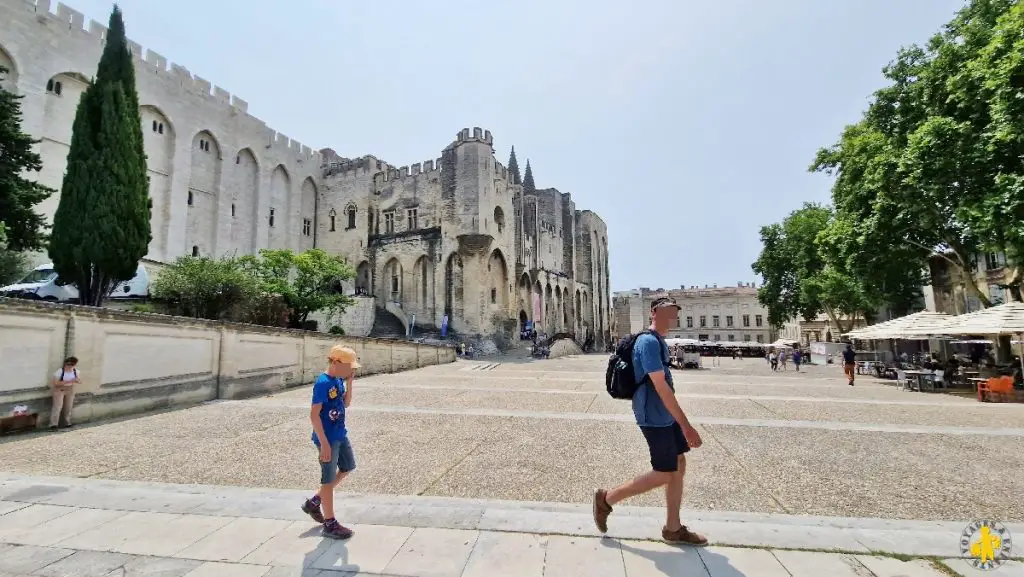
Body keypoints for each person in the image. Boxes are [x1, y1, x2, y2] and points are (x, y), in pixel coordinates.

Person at [593, 297, 707, 545]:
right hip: (654, 416)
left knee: (678, 462)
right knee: (664, 473)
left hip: (665, 414)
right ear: (653, 313)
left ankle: (673, 528)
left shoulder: (659, 342)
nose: (672, 317)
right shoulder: (647, 342)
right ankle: (606, 499)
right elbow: (661, 387)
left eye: (675, 313)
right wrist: (687, 426)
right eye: (667, 312)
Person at [301, 345, 360, 539]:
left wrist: (350, 382)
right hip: (327, 438)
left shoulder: (338, 380)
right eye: (348, 366)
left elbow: (346, 403)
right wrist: (324, 444)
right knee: (327, 480)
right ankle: (330, 523)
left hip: (340, 433)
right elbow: (314, 415)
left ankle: (315, 500)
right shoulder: (323, 383)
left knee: (348, 466)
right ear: (335, 362)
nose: (351, 369)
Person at [50, 356, 80, 431]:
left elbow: (80, 381)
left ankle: (67, 423)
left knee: (68, 406)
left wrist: (77, 380)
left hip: (70, 389)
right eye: (68, 364)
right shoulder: (60, 371)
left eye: (71, 365)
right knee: (58, 406)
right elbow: (55, 383)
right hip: (59, 389)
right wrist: (69, 381)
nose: (69, 366)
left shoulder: (76, 371)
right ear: (65, 364)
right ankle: (53, 424)